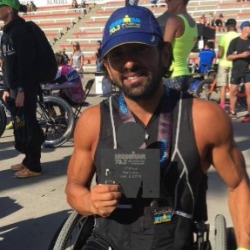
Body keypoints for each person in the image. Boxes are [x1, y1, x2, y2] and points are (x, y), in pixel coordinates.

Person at [65, 5, 250, 250]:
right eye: (117, 56)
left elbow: (237, 184)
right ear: (108, 67)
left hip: (175, 242)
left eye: (140, 49)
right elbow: (73, 188)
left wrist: (244, 246)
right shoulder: (92, 122)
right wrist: (89, 201)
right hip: (108, 242)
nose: (129, 63)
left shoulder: (204, 118)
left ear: (164, 54)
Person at [0, 0, 45, 178]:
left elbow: (25, 65)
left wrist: (21, 90)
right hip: (13, 88)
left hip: (25, 88)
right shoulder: (6, 33)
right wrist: (5, 87)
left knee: (29, 126)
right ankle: (27, 160)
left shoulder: (20, 32)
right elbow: (7, 65)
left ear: (9, 9)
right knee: (21, 126)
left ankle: (34, 166)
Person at [157, 0, 198, 91]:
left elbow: (163, 48)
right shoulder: (192, 23)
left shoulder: (174, 21)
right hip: (185, 73)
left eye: (169, 0)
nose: (166, 1)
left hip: (172, 75)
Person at [227, 20, 250, 122]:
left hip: (248, 70)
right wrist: (241, 55)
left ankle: (249, 114)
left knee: (249, 92)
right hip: (236, 69)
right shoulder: (235, 41)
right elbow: (228, 56)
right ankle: (232, 112)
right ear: (244, 28)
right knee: (233, 91)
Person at [216, 18, 239, 109]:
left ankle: (222, 104)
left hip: (223, 63)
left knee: (222, 85)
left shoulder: (223, 37)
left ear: (228, 27)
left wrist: (218, 55)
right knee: (233, 85)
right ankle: (232, 106)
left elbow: (220, 53)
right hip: (234, 63)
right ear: (235, 26)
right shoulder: (238, 36)